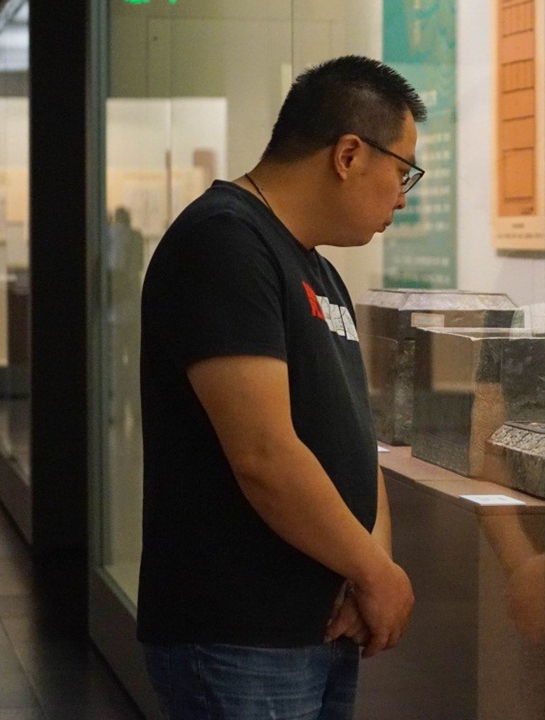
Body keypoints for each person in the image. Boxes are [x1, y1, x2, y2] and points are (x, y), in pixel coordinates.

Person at [137, 55, 426, 719]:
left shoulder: (317, 269)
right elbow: (265, 455)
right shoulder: (225, 245)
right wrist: (377, 574)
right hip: (241, 637)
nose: (404, 196)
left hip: (318, 626)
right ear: (350, 153)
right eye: (402, 170)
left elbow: (356, 431)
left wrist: (365, 569)